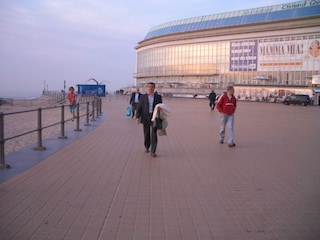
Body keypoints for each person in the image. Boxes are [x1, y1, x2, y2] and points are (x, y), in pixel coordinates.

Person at [136, 82, 162, 157]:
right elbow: (139, 108)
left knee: (154, 133)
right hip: (145, 117)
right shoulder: (143, 97)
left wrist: (160, 109)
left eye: (152, 87)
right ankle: (147, 146)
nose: (150, 88)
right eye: (149, 87)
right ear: (147, 88)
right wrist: (137, 117)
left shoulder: (158, 97)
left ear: (154, 88)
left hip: (154, 117)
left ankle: (153, 151)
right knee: (146, 133)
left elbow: (160, 106)